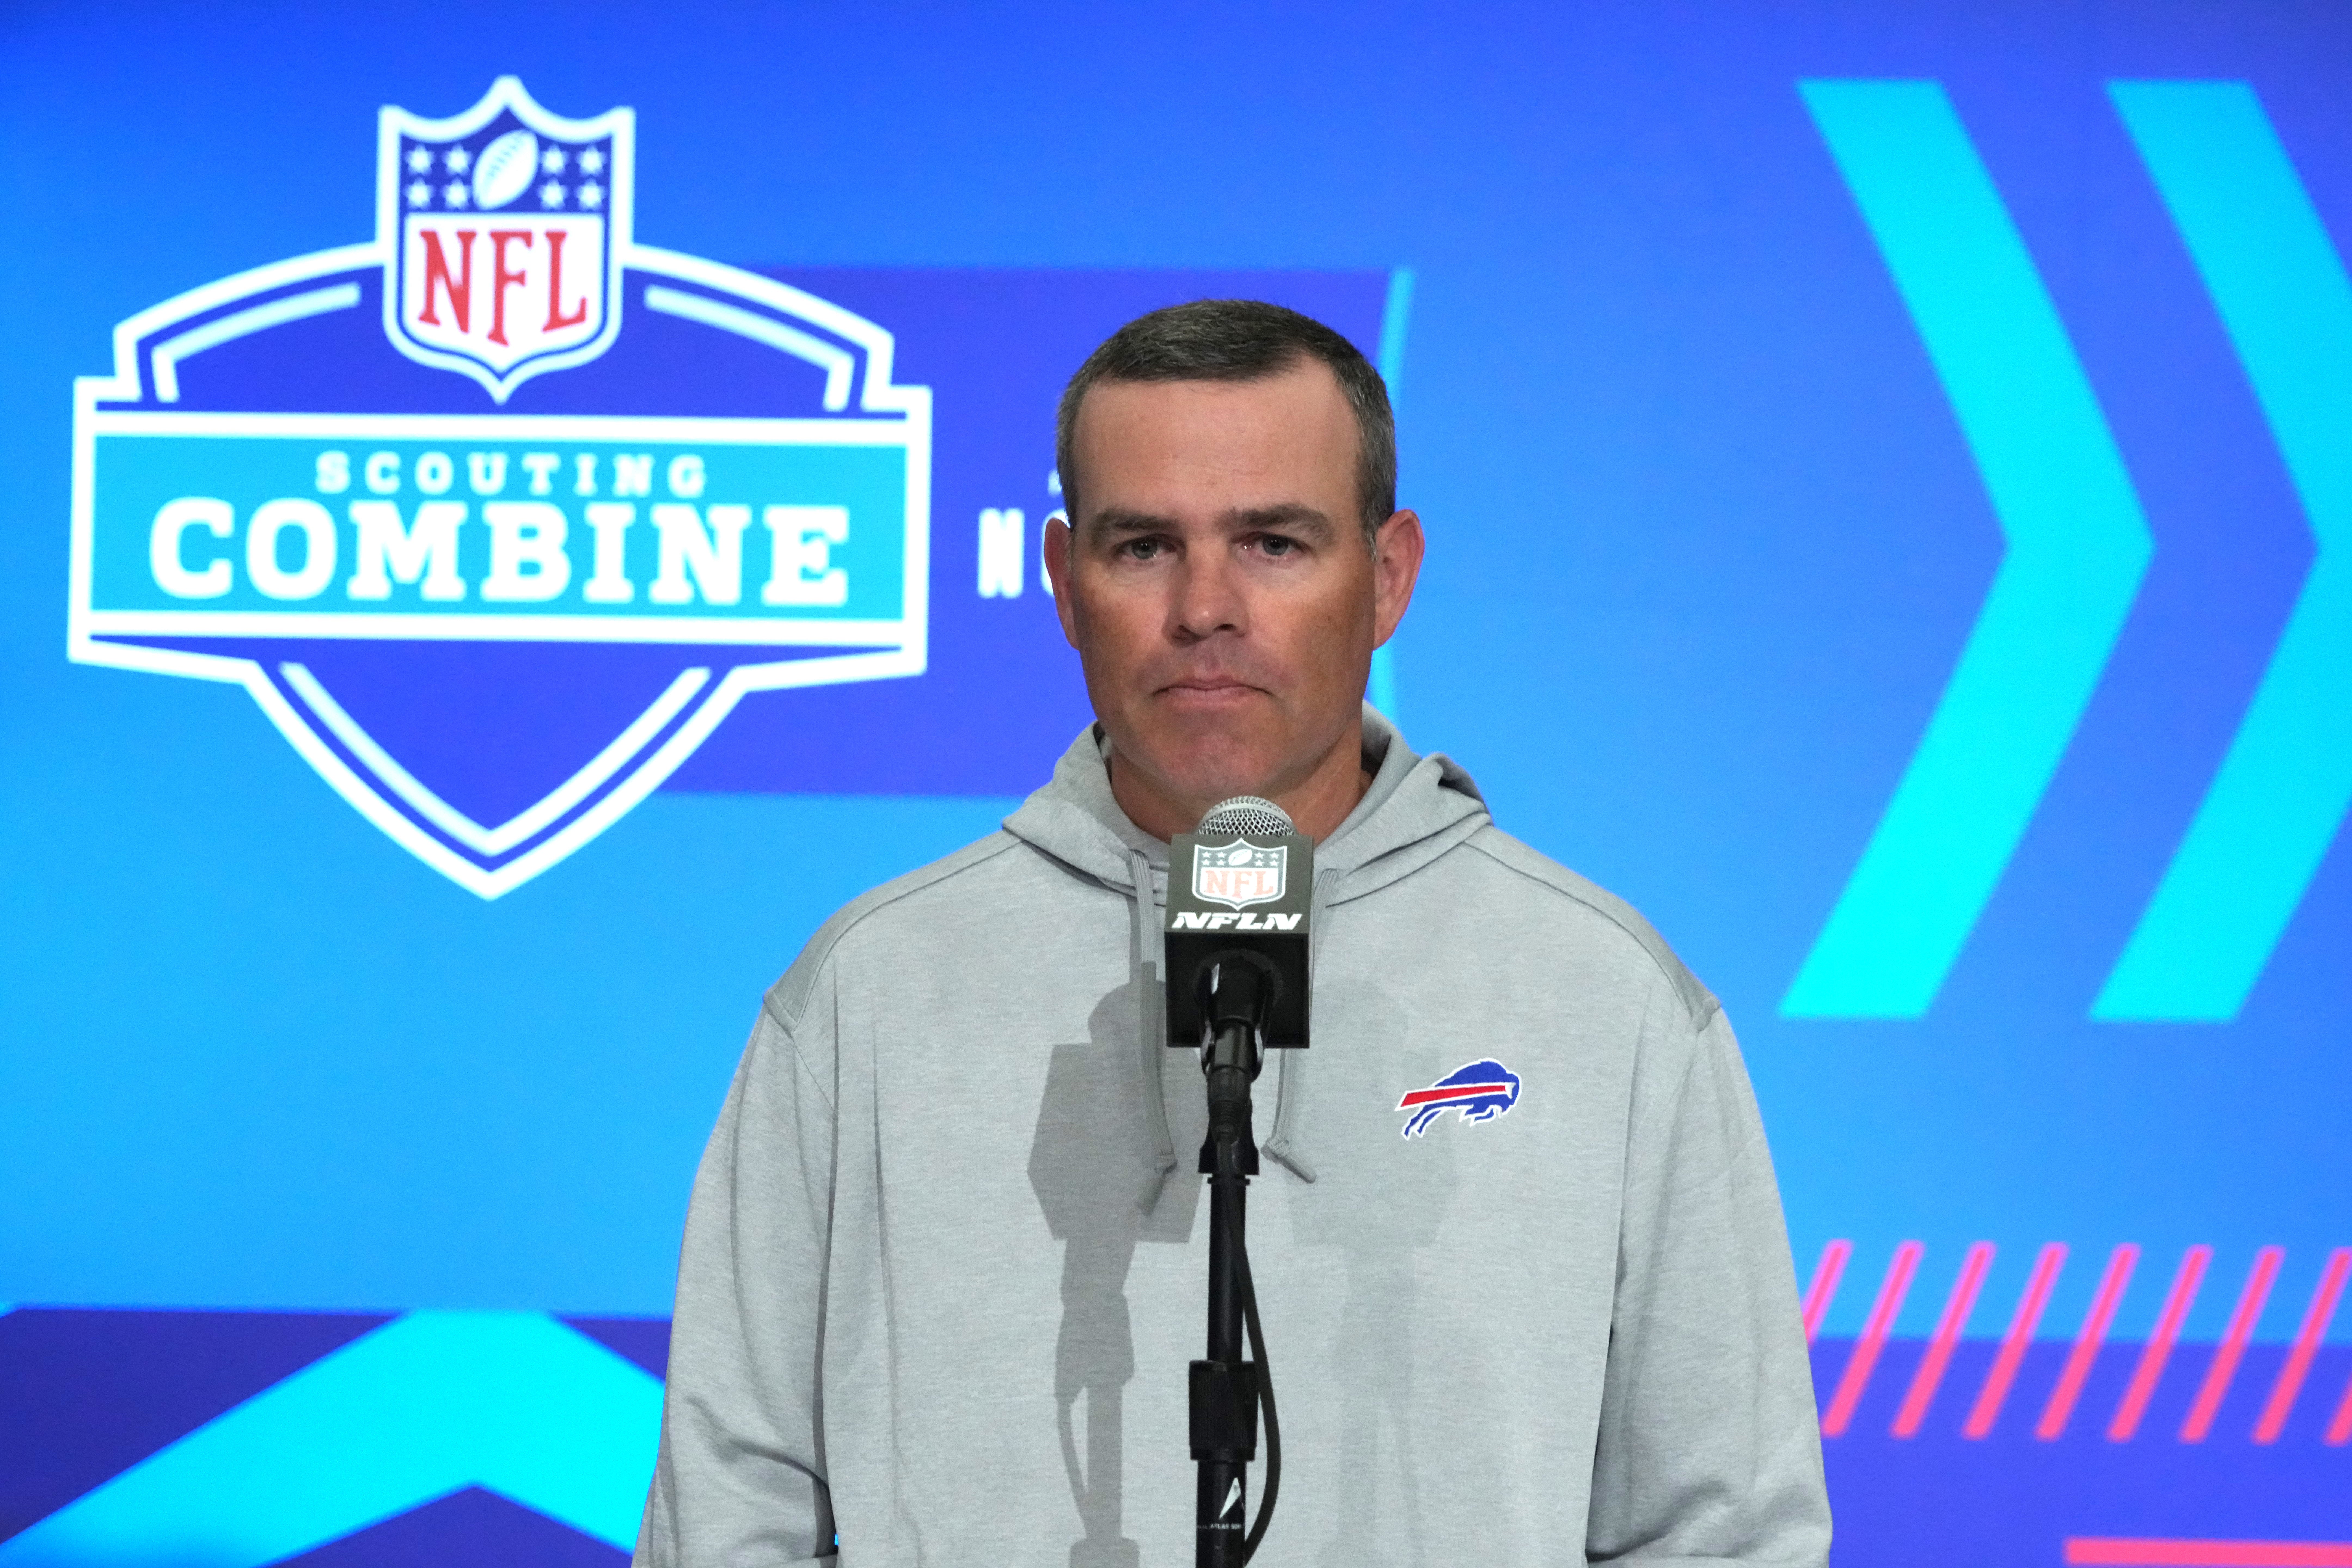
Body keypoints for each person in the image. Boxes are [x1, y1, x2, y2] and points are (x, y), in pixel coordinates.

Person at [635, 300, 1831, 1566]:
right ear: (1063, 583)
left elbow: (1723, 1532)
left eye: (1272, 543)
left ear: (1386, 578)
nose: (1206, 607)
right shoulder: (868, 994)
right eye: (1145, 546)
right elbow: (729, 1503)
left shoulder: (1608, 998)